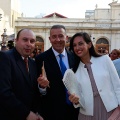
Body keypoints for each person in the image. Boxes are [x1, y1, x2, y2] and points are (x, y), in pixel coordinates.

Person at [68, 32, 120, 120]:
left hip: (110, 110)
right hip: (86, 114)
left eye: (80, 44)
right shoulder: (74, 71)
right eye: (74, 45)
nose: (77, 48)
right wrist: (75, 101)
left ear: (89, 44)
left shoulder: (105, 59)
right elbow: (79, 101)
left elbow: (117, 86)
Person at [35, 25, 79, 120]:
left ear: (66, 38)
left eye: (61, 36)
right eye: (54, 37)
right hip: (51, 112)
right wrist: (42, 87)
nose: (57, 39)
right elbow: (37, 90)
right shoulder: (40, 59)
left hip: (75, 111)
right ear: (50, 39)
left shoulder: (75, 58)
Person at [0, 28, 43, 120]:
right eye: (25, 40)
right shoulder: (5, 57)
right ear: (16, 41)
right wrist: (27, 114)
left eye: (32, 41)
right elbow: (4, 92)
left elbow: (33, 92)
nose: (28, 44)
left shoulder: (33, 63)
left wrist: (36, 113)